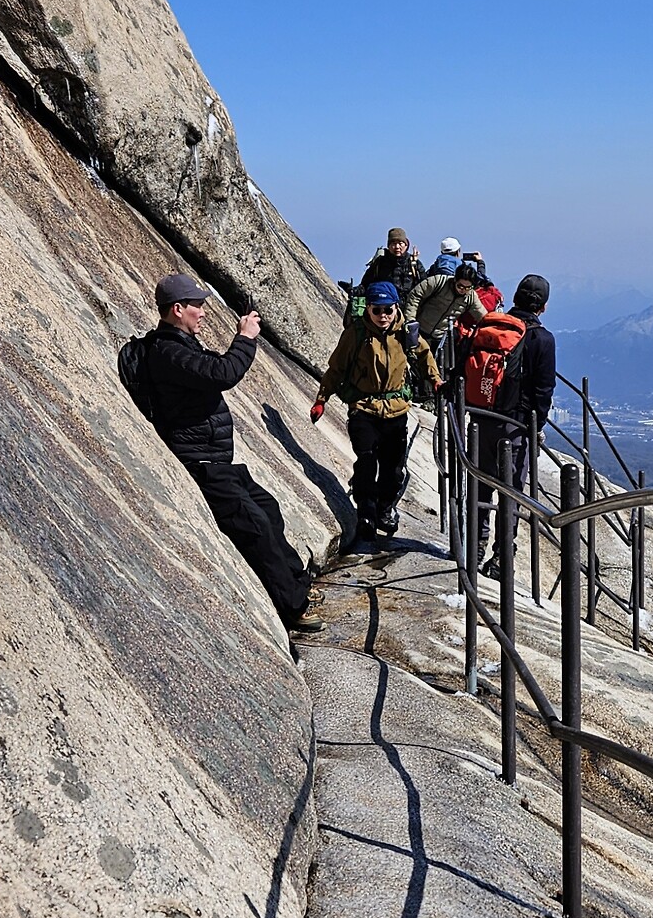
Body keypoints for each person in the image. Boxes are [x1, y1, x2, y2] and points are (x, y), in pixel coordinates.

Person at [121, 274, 320, 638]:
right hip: (200, 463)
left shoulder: (183, 345)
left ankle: (299, 585)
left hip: (217, 461)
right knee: (255, 526)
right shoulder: (167, 352)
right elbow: (223, 373)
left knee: (268, 509)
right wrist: (245, 338)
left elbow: (217, 368)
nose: (203, 313)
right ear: (177, 309)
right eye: (197, 306)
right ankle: (294, 608)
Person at [312, 282, 443, 540]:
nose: (383, 316)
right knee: (367, 460)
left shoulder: (406, 332)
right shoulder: (356, 333)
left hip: (396, 411)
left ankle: (384, 509)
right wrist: (321, 399)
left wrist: (435, 380)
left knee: (393, 469)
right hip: (363, 408)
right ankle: (367, 513)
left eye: (388, 310)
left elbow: (424, 355)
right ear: (368, 309)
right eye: (377, 310)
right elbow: (336, 368)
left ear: (396, 308)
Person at [473, 274, 556, 575]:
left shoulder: (491, 325)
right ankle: (501, 557)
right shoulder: (542, 339)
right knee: (511, 493)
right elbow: (543, 390)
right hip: (515, 426)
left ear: (515, 298)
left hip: (481, 418)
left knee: (480, 485)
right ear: (543, 307)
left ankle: (475, 545)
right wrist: (536, 427)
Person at [358, 226, 426, 308]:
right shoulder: (379, 263)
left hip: (410, 308)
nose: (397, 247)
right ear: (388, 246)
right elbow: (365, 286)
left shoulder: (414, 264)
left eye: (400, 243)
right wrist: (354, 291)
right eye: (393, 243)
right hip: (385, 309)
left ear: (406, 245)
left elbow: (424, 287)